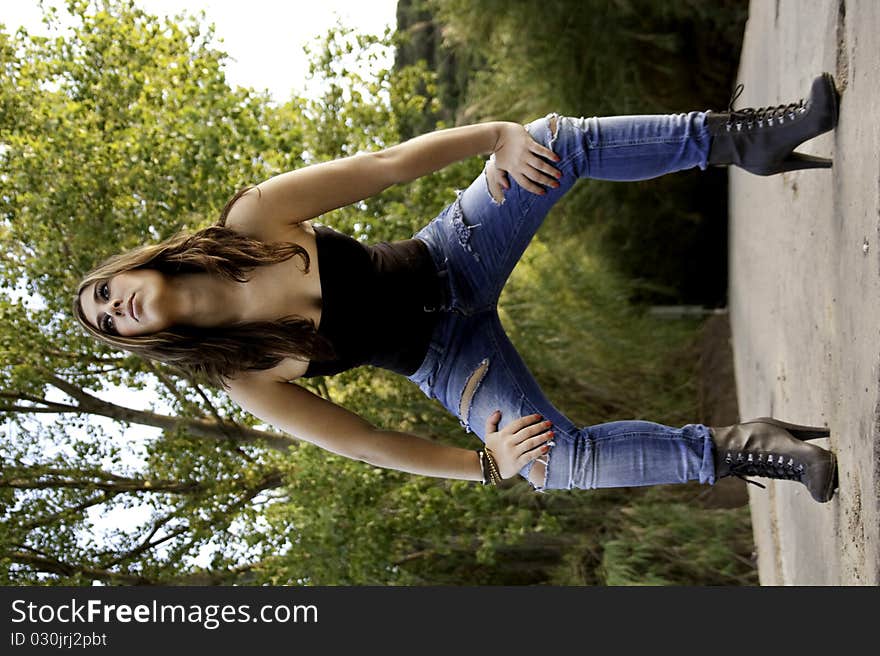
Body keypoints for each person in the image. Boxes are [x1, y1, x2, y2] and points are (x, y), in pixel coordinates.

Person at [74, 72, 841, 503]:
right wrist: (484, 462)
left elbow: (385, 166)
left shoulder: (254, 218)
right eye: (108, 323)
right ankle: (745, 447)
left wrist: (496, 139)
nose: (116, 309)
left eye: (106, 292)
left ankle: (743, 138)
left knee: (549, 143)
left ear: (134, 265)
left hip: (452, 255)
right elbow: (370, 444)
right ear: (137, 341)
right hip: (450, 361)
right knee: (549, 464)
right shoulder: (247, 377)